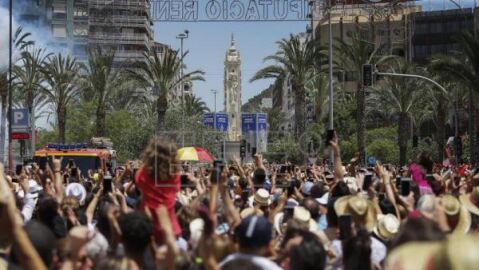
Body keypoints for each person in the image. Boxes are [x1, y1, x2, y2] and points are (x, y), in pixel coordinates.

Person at [135, 137, 181, 242]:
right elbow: (177, 190)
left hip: (148, 231)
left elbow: (138, 186)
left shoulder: (142, 174)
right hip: (171, 229)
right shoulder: (175, 175)